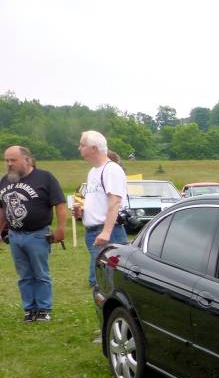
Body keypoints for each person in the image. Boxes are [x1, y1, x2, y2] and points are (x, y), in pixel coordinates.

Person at [0, 146, 67, 322]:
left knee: (40, 273)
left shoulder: (44, 178)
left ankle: (44, 309)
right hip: (14, 236)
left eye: (13, 160)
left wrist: (61, 229)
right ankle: (30, 309)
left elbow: (60, 204)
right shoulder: (5, 181)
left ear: (27, 160)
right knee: (24, 275)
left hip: (37, 234)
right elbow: (2, 210)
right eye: (7, 160)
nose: (9, 164)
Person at [78, 130, 128, 287]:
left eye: (82, 145)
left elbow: (115, 202)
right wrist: (84, 211)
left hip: (108, 233)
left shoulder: (111, 169)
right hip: (93, 231)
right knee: (100, 281)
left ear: (93, 148)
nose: (79, 148)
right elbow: (99, 201)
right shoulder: (93, 172)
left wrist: (106, 232)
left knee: (108, 281)